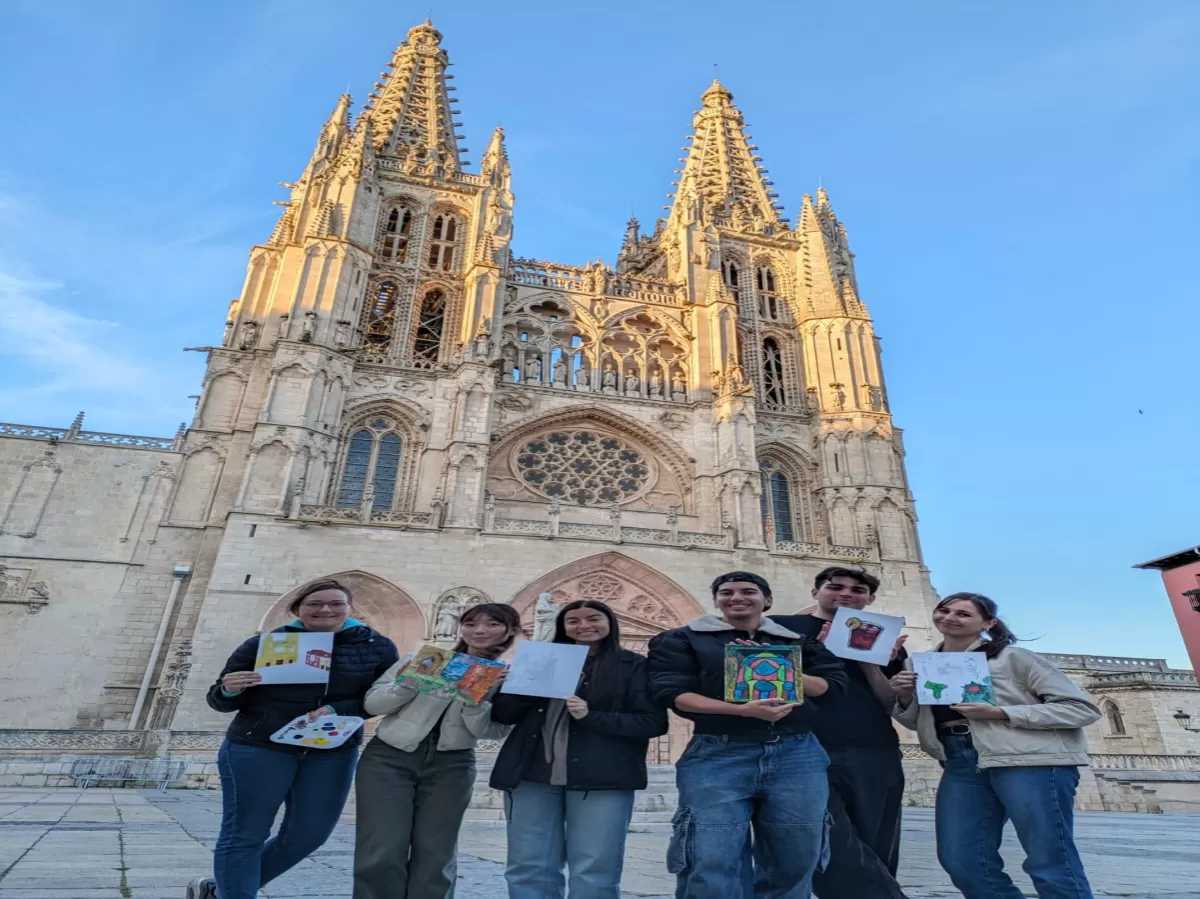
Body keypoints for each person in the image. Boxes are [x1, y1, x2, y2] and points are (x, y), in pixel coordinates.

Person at [186, 580, 398, 899]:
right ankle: (236, 893)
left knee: (309, 834)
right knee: (245, 834)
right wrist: (230, 689)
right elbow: (220, 699)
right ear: (298, 608)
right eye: (314, 604)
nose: (325, 609)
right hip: (259, 747)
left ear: (350, 608)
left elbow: (381, 698)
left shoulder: (376, 645)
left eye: (335, 603)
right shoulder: (265, 643)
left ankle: (222, 890)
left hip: (331, 750)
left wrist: (337, 708)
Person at [647, 571, 849, 899]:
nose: (736, 597)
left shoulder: (795, 642)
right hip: (719, 752)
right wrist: (741, 710)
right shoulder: (684, 639)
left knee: (796, 856)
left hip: (796, 753)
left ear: (766, 600)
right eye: (726, 592)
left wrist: (774, 662)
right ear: (716, 601)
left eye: (748, 591)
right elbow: (671, 694)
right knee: (711, 856)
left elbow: (832, 686)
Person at [890, 593, 1100, 899]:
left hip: (1030, 761)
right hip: (960, 760)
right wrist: (904, 696)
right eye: (944, 610)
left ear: (987, 623)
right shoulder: (920, 663)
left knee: (1049, 857)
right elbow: (918, 723)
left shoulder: (1015, 658)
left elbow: (1082, 709)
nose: (950, 617)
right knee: (960, 858)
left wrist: (1003, 712)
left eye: (963, 614)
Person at [490, 599, 668, 898]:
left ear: (610, 622)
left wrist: (591, 716)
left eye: (593, 618)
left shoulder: (633, 665)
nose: (584, 625)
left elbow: (652, 723)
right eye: (573, 620)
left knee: (595, 868)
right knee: (529, 866)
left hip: (602, 778)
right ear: (562, 626)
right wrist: (518, 685)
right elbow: (504, 715)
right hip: (530, 774)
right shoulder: (542, 660)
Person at [353, 602, 521, 899]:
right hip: (389, 757)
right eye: (471, 623)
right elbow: (372, 705)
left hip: (452, 763)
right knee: (381, 846)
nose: (480, 630)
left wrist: (475, 702)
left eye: (493, 624)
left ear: (510, 630)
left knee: (436, 851)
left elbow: (494, 731)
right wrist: (406, 684)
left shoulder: (507, 678)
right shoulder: (421, 659)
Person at [772, 567, 909, 899]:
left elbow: (890, 703)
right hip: (803, 746)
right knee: (823, 837)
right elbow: (766, 678)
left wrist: (871, 665)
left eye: (857, 589)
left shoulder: (883, 636)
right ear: (815, 592)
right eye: (836, 587)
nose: (846, 593)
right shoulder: (783, 628)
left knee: (875, 840)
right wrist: (812, 654)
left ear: (870, 599)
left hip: (874, 746)